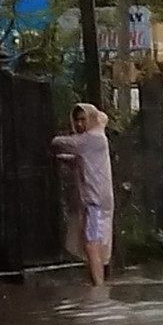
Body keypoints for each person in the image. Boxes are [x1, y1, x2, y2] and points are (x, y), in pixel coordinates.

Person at [52, 102, 115, 287]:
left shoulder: (91, 139)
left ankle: (99, 289)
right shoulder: (97, 136)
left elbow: (58, 142)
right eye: (77, 120)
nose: (79, 124)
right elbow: (84, 163)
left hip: (95, 202)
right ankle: (96, 283)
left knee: (91, 244)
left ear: (91, 120)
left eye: (83, 119)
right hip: (95, 201)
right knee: (92, 244)